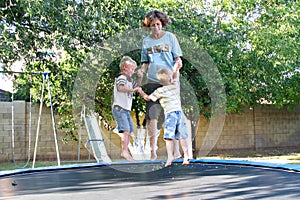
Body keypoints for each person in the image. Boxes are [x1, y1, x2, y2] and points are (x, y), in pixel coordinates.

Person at [138, 10, 183, 160]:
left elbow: (178, 61)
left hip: (170, 82)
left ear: (162, 24)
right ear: (148, 26)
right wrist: (140, 72)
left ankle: (176, 151)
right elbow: (145, 62)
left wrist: (173, 73)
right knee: (152, 117)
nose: (155, 27)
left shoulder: (170, 38)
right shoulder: (146, 41)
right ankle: (153, 151)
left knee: (172, 114)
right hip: (152, 80)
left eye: (158, 24)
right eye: (152, 25)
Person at [141, 67, 190, 167]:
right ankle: (186, 155)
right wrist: (177, 67)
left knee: (169, 138)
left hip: (170, 115)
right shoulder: (175, 86)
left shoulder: (159, 91)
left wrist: (140, 91)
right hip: (179, 113)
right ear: (171, 79)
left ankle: (170, 156)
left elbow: (148, 98)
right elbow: (176, 74)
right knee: (182, 136)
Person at [112, 56, 143, 162]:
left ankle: (125, 151)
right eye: (132, 69)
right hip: (119, 108)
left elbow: (137, 87)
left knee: (129, 130)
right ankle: (124, 151)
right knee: (126, 129)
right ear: (125, 68)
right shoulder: (122, 77)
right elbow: (120, 88)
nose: (133, 71)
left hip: (125, 109)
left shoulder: (130, 80)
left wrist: (139, 77)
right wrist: (133, 89)